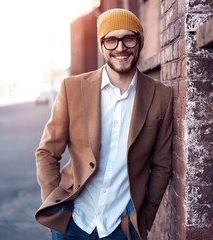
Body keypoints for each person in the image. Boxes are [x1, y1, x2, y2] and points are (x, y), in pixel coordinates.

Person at [35, 8, 173, 240]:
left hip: (121, 229)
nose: (120, 47)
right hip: (73, 221)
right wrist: (53, 204)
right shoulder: (73, 89)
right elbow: (47, 152)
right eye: (111, 40)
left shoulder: (161, 96)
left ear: (139, 42)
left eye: (129, 38)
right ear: (101, 45)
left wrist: (145, 220)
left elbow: (161, 165)